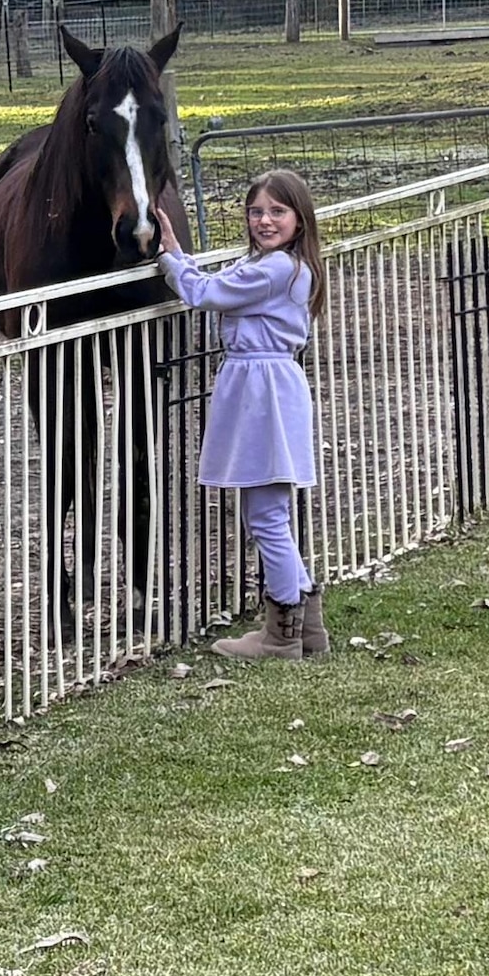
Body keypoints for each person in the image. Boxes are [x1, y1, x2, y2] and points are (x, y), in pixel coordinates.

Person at [161, 166, 328, 658]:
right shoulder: (271, 265)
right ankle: (307, 629)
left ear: (299, 218)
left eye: (277, 211)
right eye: (256, 211)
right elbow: (220, 282)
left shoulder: (277, 269)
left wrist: (170, 255)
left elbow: (206, 293)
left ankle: (281, 634)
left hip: (262, 391)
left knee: (267, 517)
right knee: (270, 514)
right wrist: (183, 258)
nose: (264, 220)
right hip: (263, 386)